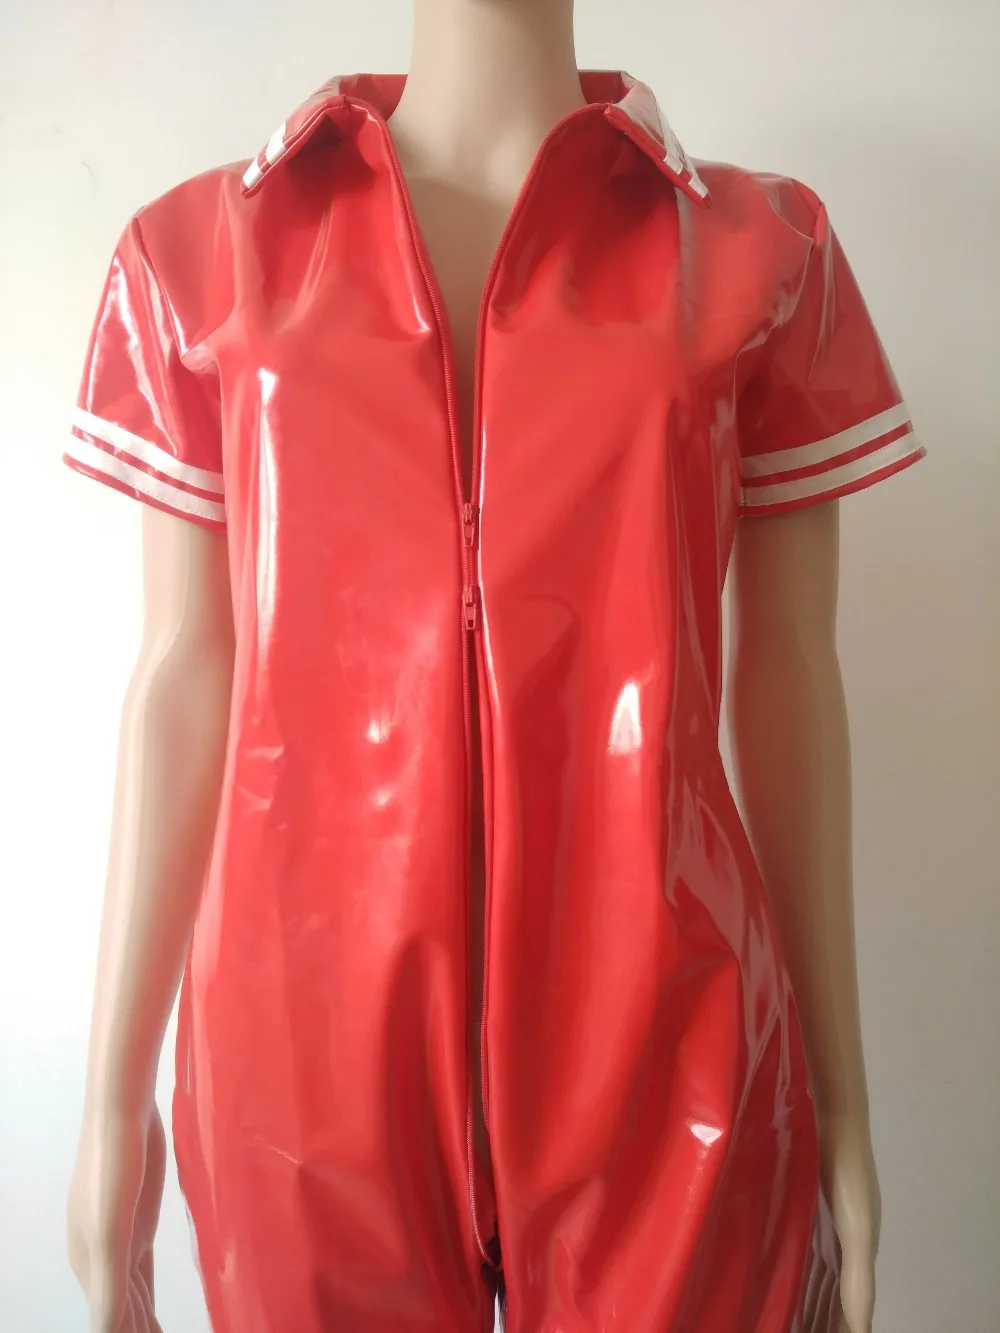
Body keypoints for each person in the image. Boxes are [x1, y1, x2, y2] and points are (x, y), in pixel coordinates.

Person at [63, 2, 926, 1331]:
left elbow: (793, 681)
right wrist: (110, 1104)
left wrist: (843, 1102)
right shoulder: (201, 254)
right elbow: (182, 671)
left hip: (671, 1052)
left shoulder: (764, 250)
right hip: (300, 1068)